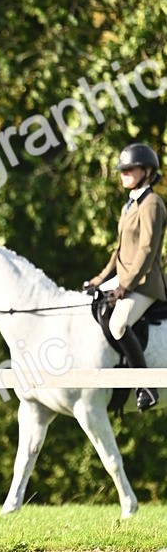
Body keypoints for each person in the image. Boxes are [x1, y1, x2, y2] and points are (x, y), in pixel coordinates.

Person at [85, 142, 167, 411]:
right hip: (125, 277)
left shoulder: (152, 203)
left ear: (146, 171)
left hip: (145, 283)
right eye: (122, 169)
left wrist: (125, 285)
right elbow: (120, 252)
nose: (123, 173)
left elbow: (146, 250)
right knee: (93, 305)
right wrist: (99, 280)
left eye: (129, 169)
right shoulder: (130, 205)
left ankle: (146, 385)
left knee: (118, 324)